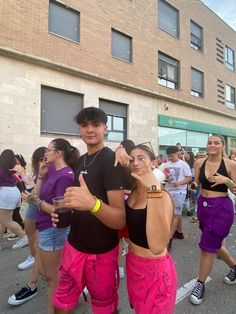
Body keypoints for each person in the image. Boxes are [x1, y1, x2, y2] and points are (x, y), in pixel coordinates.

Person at [52, 107, 125, 314]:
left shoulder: (111, 162)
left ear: (105, 128)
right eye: (84, 125)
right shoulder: (80, 161)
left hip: (101, 253)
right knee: (61, 301)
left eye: (95, 125)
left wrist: (93, 204)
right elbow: (76, 201)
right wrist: (63, 210)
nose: (90, 130)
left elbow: (119, 219)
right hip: (74, 246)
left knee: (104, 306)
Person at [10, 140, 78, 314]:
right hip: (44, 226)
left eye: (48, 150)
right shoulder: (51, 168)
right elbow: (39, 193)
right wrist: (40, 175)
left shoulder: (66, 175)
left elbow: (59, 210)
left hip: (53, 229)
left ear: (59, 153)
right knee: (52, 277)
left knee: (52, 280)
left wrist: (35, 201)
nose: (45, 154)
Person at [124, 144, 177, 313]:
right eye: (132, 159)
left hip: (155, 270)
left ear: (153, 163)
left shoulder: (161, 195)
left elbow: (157, 246)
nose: (136, 163)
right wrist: (119, 150)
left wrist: (153, 189)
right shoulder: (132, 192)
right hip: (133, 264)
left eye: (141, 158)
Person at [190, 135, 236, 305]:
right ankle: (234, 267)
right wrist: (193, 186)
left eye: (216, 143)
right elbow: (196, 183)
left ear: (223, 146)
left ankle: (200, 285)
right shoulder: (199, 163)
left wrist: (227, 181)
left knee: (207, 247)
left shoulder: (230, 165)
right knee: (215, 245)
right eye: (210, 142)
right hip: (203, 206)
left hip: (222, 208)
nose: (212, 145)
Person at [8, 147, 47, 307]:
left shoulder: (61, 174)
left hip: (51, 218)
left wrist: (24, 175)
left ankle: (32, 285)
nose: (44, 162)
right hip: (38, 208)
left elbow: (40, 196)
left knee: (42, 248)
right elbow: (34, 192)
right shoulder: (42, 173)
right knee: (33, 237)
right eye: (41, 159)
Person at [0, 149, 28, 250]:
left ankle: (23, 237)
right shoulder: (13, 169)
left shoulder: (2, 169)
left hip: (6, 194)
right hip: (14, 192)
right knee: (3, 221)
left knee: (7, 221)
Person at [164, 146, 192, 243]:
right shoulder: (166, 165)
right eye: (169, 156)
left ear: (177, 154)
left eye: (172, 156)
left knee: (175, 214)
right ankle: (179, 232)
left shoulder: (183, 165)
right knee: (176, 213)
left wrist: (179, 183)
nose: (170, 158)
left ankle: (169, 238)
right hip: (168, 191)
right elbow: (164, 177)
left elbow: (189, 178)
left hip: (180, 191)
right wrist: (165, 178)